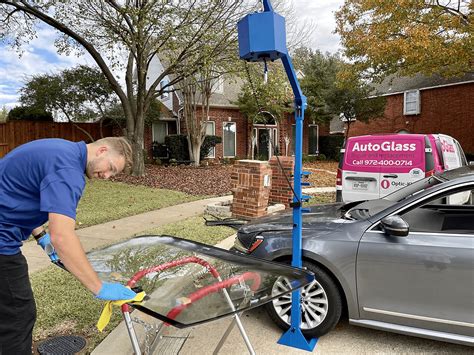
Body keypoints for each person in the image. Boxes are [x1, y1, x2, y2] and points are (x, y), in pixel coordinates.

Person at [0, 137, 138, 354]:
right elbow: (62, 236)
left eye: (113, 174)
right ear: (102, 150)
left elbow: (21, 191)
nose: (107, 176)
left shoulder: (61, 150)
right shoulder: (68, 170)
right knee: (18, 315)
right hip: (2, 245)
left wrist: (40, 236)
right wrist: (99, 287)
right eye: (110, 168)